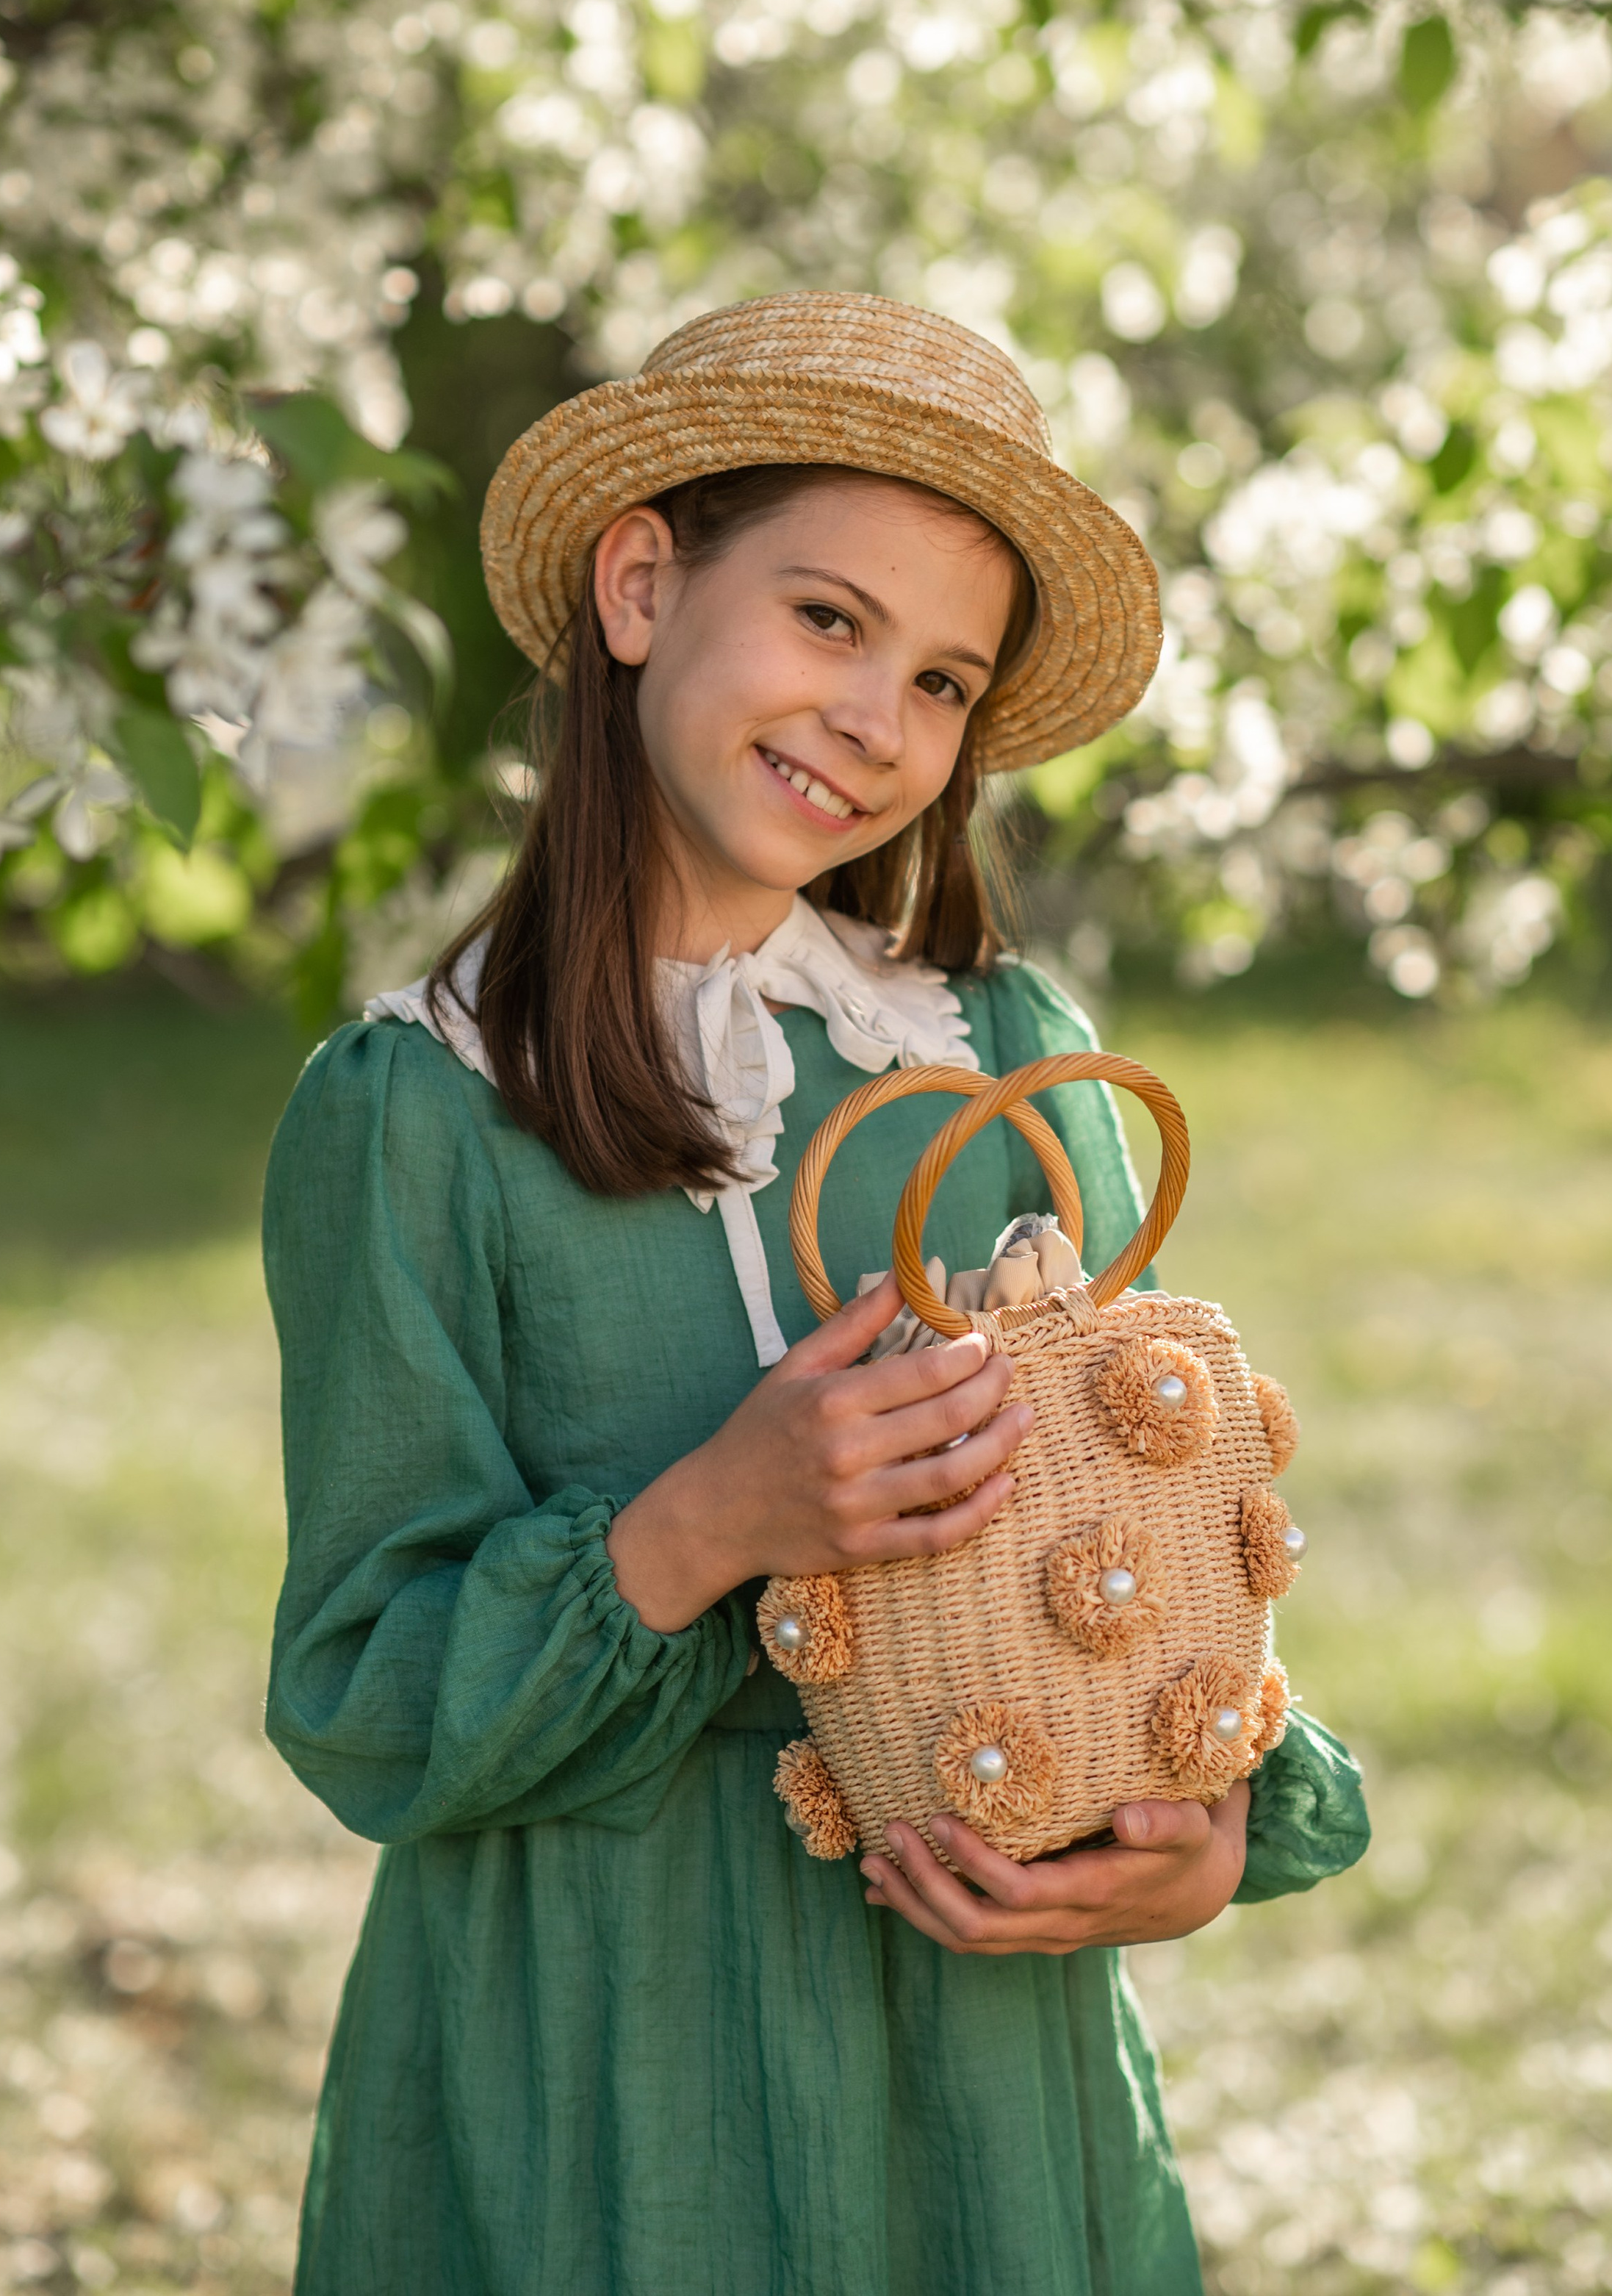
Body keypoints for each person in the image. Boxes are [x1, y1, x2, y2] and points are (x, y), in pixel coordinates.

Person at [263, 292, 1370, 2296]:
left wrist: (1194, 1839)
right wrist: (717, 1520)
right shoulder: (417, 1115)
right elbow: (367, 1690)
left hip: (976, 2066)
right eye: (829, 620)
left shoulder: (1004, 1061)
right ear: (637, 585)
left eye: (943, 677)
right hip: (602, 2059)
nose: (878, 719)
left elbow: (1165, 1547)